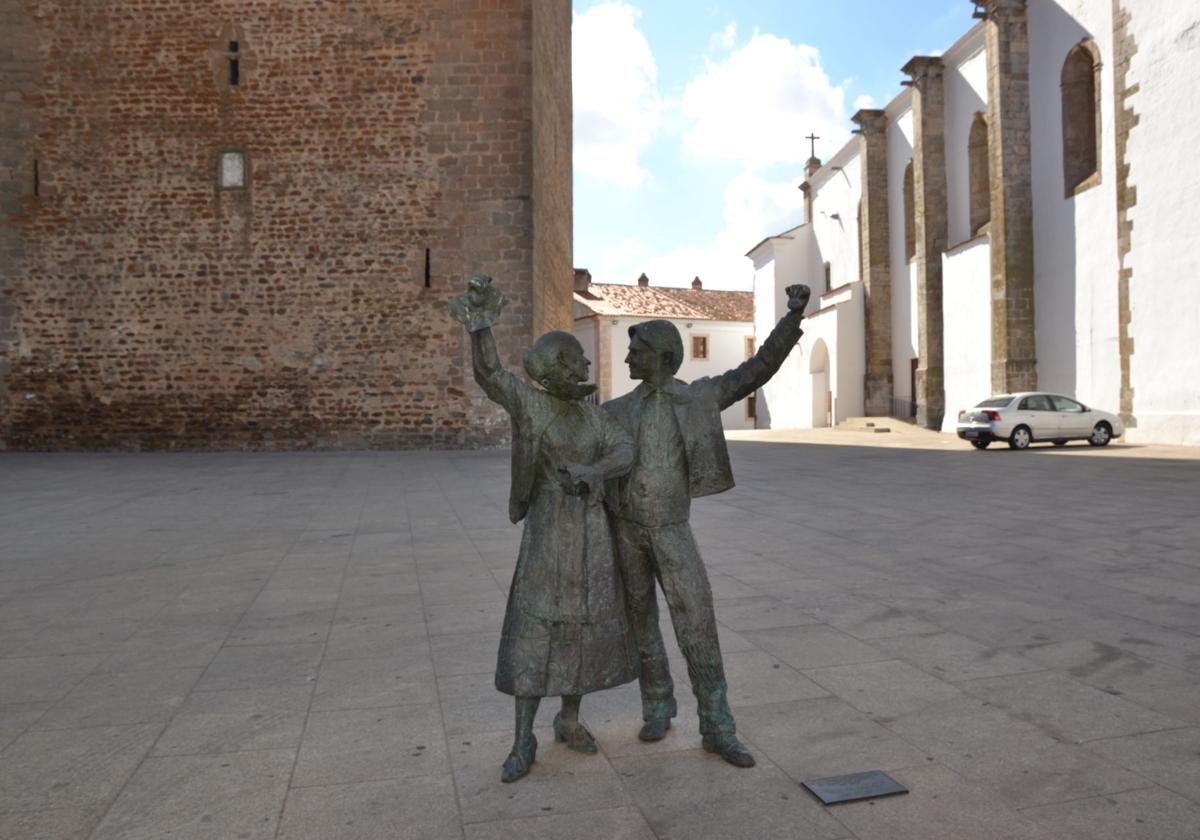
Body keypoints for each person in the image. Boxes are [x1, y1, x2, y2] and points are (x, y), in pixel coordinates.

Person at [603, 283, 811, 767]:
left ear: (662, 357)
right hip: (626, 529)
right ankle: (658, 705)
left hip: (671, 529)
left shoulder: (697, 398)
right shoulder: (615, 411)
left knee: (696, 622)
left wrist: (792, 317)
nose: (628, 357)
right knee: (640, 621)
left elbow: (757, 369)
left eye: (636, 351)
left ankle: (717, 725)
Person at [449, 274, 638, 783]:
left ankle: (569, 719)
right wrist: (480, 324)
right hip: (547, 531)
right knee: (534, 628)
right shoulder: (531, 404)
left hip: (590, 533)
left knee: (580, 625)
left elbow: (625, 449)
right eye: (578, 360)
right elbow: (491, 373)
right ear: (559, 367)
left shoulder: (591, 416)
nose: (586, 366)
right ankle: (522, 737)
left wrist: (594, 470)